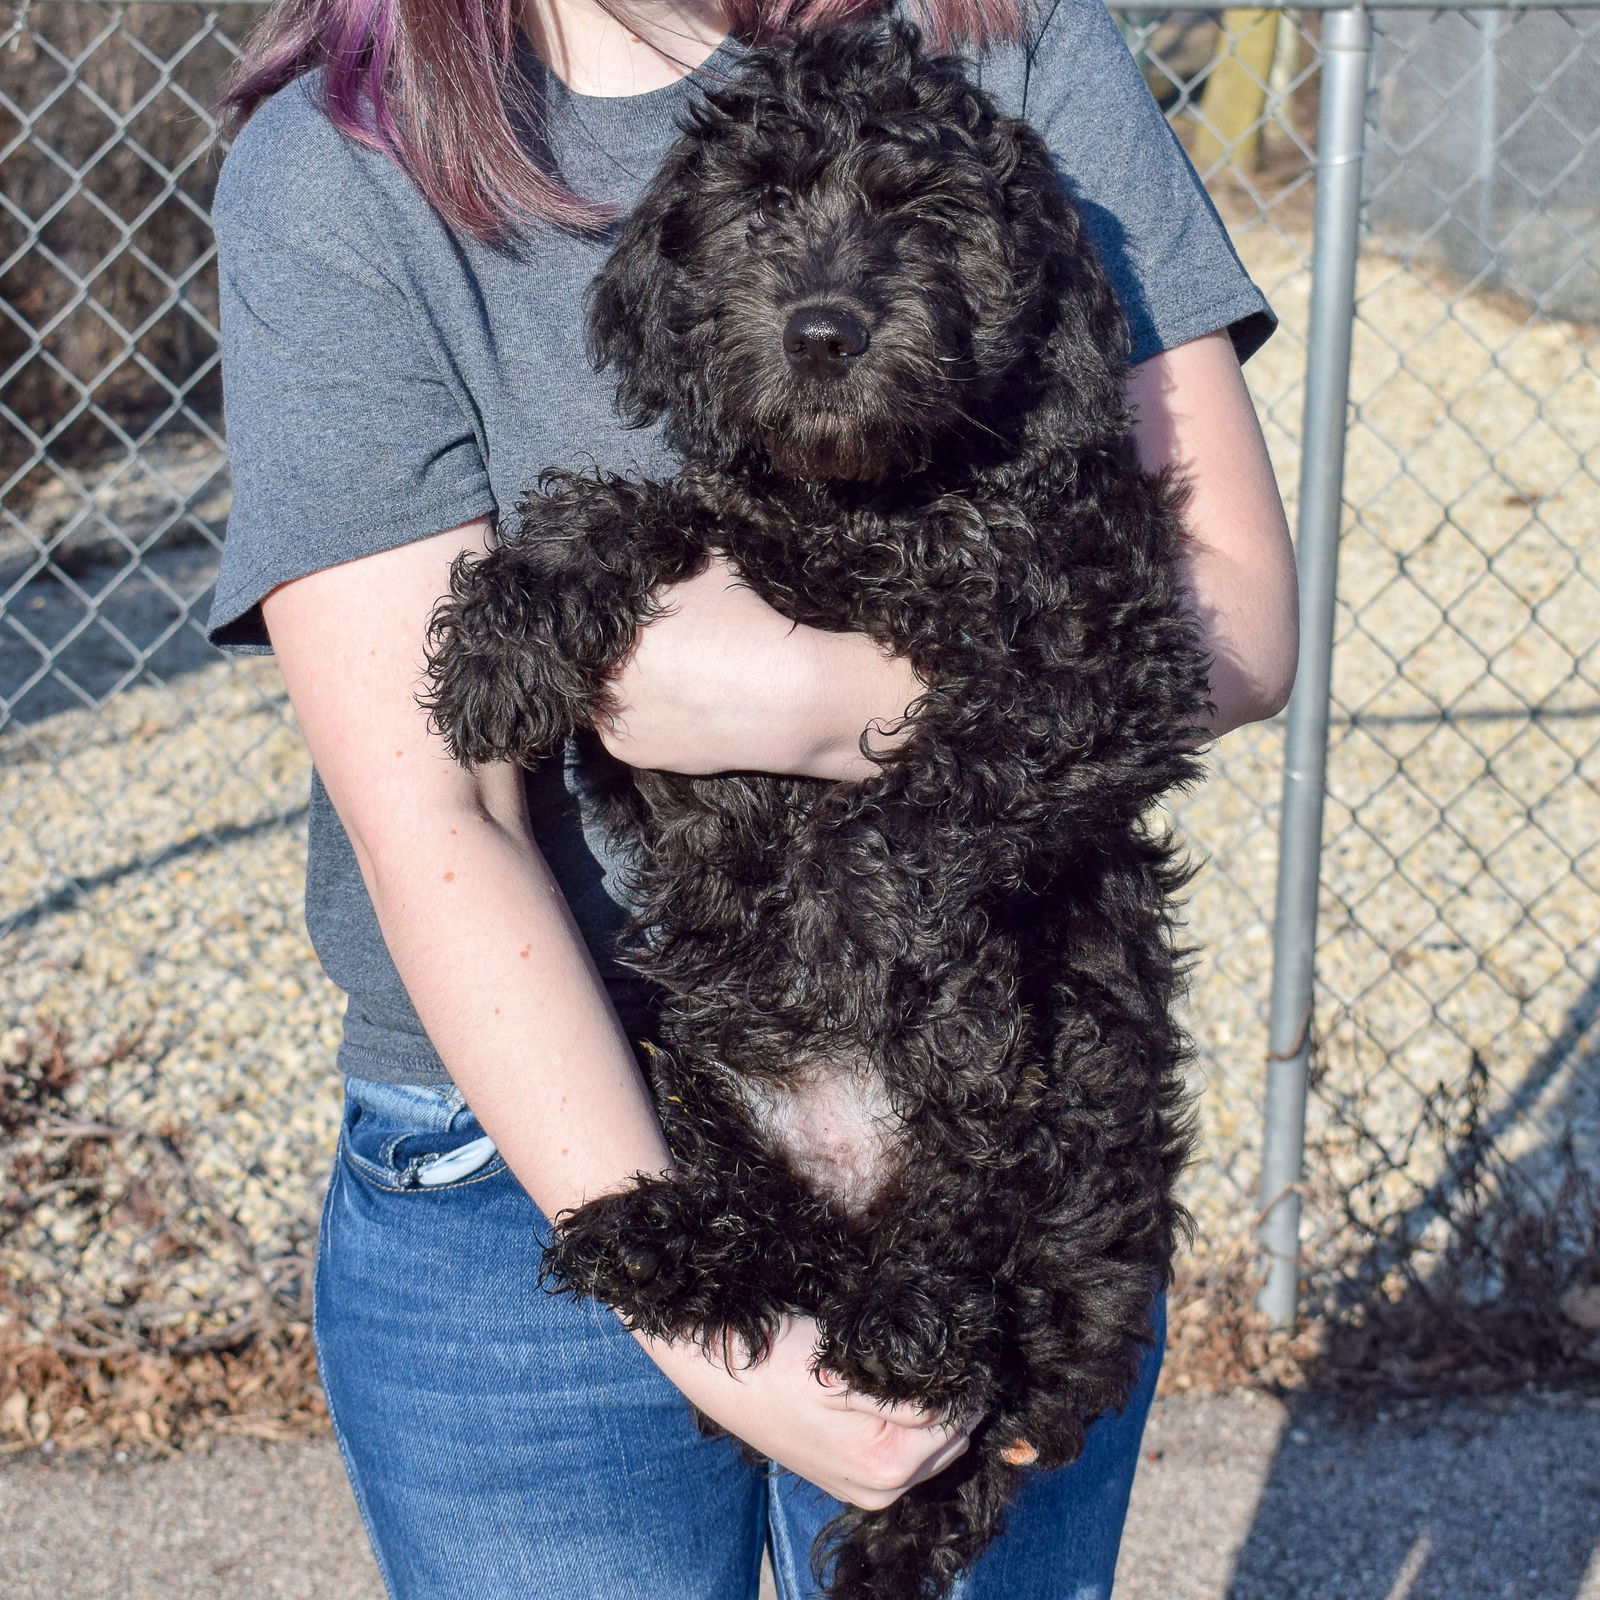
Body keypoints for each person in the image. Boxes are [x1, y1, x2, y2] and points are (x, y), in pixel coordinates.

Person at [206, 0, 1298, 1591]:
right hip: (528, 1146)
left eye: (905, 235)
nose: (832, 300)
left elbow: (1226, 626)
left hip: (989, 1139)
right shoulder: (344, 168)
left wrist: (799, 698)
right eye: (775, 233)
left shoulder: (1004, 42)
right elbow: (439, 796)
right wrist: (693, 1313)